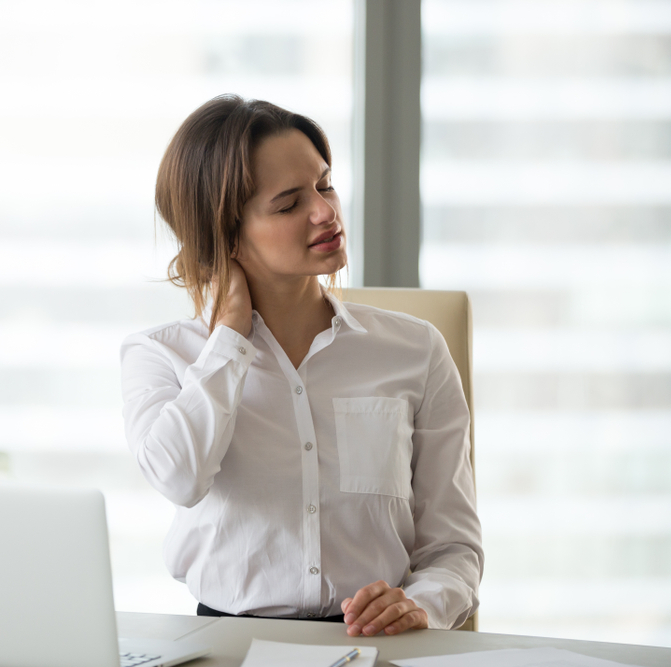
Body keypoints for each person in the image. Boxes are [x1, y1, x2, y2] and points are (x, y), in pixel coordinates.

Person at [120, 95, 482, 636]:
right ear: (226, 236)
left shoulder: (416, 350)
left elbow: (454, 547)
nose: (325, 211)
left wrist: (423, 604)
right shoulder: (162, 356)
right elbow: (179, 478)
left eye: (325, 183)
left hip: (375, 645)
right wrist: (228, 338)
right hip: (227, 643)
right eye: (289, 204)